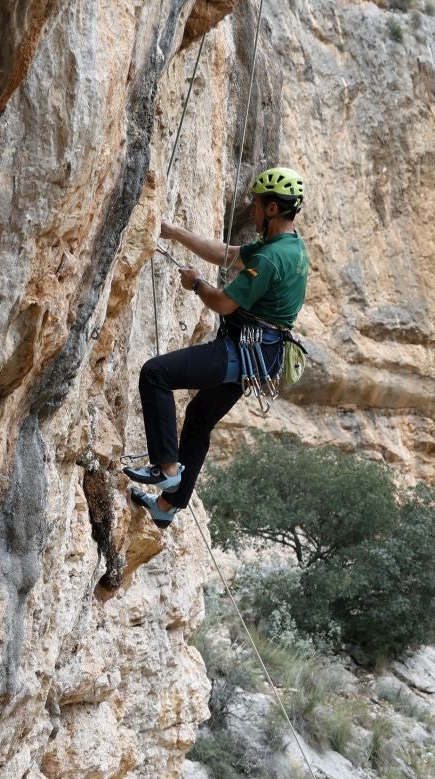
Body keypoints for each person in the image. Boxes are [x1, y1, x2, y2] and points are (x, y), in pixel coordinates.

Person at [124, 166, 310, 529]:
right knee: (198, 419)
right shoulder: (288, 247)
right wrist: (175, 232)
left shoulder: (272, 257)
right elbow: (228, 254)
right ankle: (166, 505)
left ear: (272, 209)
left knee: (156, 373)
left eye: (256, 205)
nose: (252, 211)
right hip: (258, 357)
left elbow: (225, 303)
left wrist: (196, 285)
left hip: (242, 353)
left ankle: (165, 470)